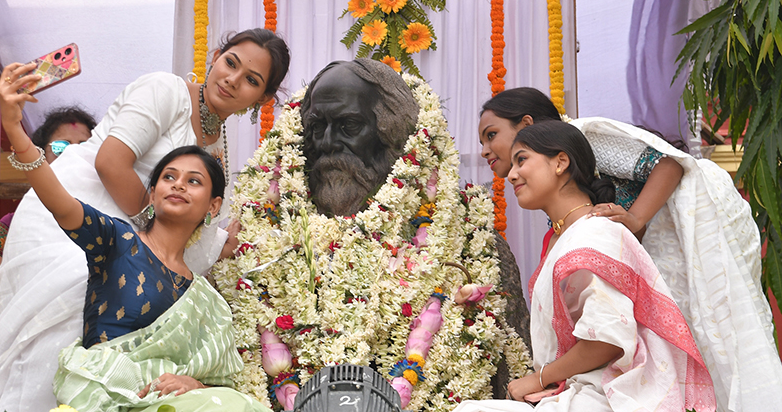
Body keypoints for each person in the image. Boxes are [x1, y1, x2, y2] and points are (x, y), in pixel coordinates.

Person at [0, 29, 290, 411]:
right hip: (79, 215)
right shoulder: (166, 91)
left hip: (137, 249)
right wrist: (153, 238)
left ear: (262, 99)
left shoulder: (217, 146)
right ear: (215, 56)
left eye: (251, 80)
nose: (232, 79)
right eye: (231, 63)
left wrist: (217, 242)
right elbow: (111, 164)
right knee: (60, 335)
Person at [213, 59, 533, 411]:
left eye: (349, 126)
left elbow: (509, 377)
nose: (328, 142)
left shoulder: (468, 240)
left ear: (394, 134)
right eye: (317, 127)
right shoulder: (255, 241)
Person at [478, 87, 782, 410]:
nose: (484, 151)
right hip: (627, 269)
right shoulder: (565, 218)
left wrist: (635, 219)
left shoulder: (580, 139)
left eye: (491, 135)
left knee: (715, 340)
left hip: (675, 243)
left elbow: (669, 164)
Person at [455, 120, 716, 412]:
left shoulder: (594, 233)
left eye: (522, 160)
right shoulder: (565, 237)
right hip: (577, 392)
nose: (512, 174)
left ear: (560, 162)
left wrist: (539, 378)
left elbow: (607, 341)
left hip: (609, 396)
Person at [0, 106, 97, 341]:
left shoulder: (108, 221)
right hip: (20, 348)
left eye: (84, 146)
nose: (73, 155)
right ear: (39, 156)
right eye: (61, 147)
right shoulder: (12, 225)